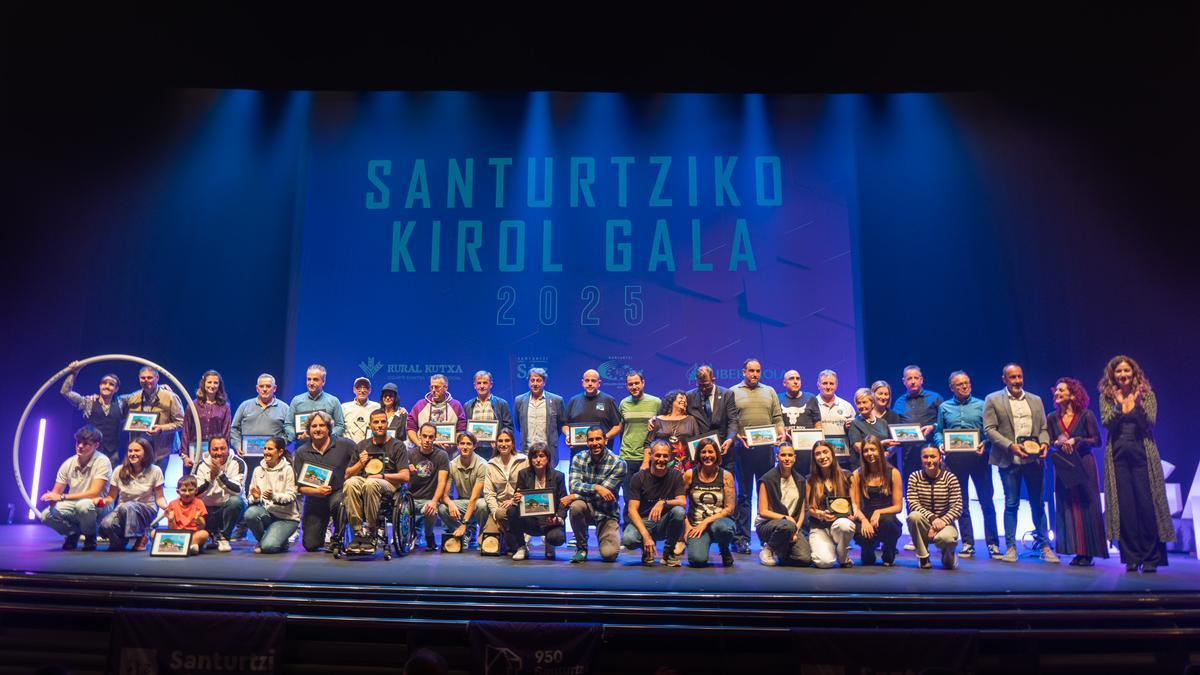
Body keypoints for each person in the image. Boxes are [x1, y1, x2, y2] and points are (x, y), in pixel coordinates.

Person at [1098, 355, 1173, 572]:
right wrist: (1118, 406)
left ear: (1134, 372)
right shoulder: (1107, 396)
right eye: (1119, 371)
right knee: (1126, 507)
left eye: (1126, 370)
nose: (1123, 375)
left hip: (1142, 456)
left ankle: (1150, 557)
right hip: (1118, 457)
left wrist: (1137, 404)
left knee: (1146, 505)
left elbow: (1149, 423)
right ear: (1113, 375)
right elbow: (1107, 423)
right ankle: (1131, 557)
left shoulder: (1146, 394)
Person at [984, 363, 1058, 564]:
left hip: (1034, 460)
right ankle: (1010, 547)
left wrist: (1044, 444)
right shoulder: (993, 399)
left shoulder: (1035, 399)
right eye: (1012, 377)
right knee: (1011, 503)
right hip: (1009, 459)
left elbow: (1043, 428)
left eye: (1019, 376)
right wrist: (1011, 446)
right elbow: (989, 430)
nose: (1017, 381)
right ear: (1004, 379)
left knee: (1038, 504)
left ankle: (1045, 546)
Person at [934, 371, 999, 559]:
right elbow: (939, 431)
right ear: (951, 388)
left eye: (967, 382)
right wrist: (940, 444)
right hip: (955, 461)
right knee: (960, 503)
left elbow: (990, 431)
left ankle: (993, 543)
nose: (964, 386)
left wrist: (985, 443)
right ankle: (968, 543)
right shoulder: (945, 407)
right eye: (960, 384)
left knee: (986, 501)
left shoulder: (982, 404)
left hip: (980, 459)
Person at [1046, 377, 1108, 566]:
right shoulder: (1052, 417)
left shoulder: (1086, 415)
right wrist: (1056, 443)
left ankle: (1088, 552)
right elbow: (1049, 441)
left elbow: (1097, 441)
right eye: (1056, 391)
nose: (1057, 393)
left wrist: (1077, 440)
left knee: (1087, 505)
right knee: (1067, 505)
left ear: (1073, 395)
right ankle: (1075, 550)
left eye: (1061, 390)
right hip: (1064, 466)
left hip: (1084, 463)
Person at [728, 358, 785, 554]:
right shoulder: (733, 392)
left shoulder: (769, 391)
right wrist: (737, 436)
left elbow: (777, 418)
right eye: (751, 370)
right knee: (743, 496)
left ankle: (767, 538)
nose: (754, 374)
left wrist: (781, 433)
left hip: (766, 451)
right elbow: (730, 421)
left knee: (766, 495)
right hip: (742, 451)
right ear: (743, 372)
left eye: (758, 371)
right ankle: (741, 539)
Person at [229, 373, 289, 541]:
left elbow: (289, 431)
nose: (264, 389)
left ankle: (272, 526)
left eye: (268, 386)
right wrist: (237, 445)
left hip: (273, 461)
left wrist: (279, 447)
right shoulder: (245, 406)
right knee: (248, 492)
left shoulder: (284, 408)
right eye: (261, 386)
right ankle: (242, 527)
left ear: (274, 388)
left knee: (272, 492)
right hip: (248, 460)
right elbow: (234, 429)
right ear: (257, 388)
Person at [344, 409, 410, 554]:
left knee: (371, 483)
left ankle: (371, 529)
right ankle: (358, 531)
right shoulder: (362, 445)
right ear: (370, 425)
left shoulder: (397, 445)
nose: (379, 425)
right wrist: (360, 463)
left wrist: (382, 477)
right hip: (365, 480)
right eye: (376, 422)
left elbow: (405, 476)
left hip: (389, 483)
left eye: (383, 422)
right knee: (350, 483)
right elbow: (347, 474)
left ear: (387, 424)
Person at [40, 424, 113, 550]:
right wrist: (50, 498)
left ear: (96, 445)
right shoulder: (68, 463)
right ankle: (72, 533)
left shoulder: (102, 461)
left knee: (83, 506)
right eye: (78, 442)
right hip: (74, 503)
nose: (80, 446)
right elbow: (56, 493)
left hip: (98, 504)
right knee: (46, 515)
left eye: (85, 444)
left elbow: (94, 493)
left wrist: (62, 497)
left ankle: (90, 536)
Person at [292, 411, 356, 552]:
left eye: (322, 425)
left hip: (338, 492)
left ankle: (339, 537)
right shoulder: (301, 452)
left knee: (338, 503)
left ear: (328, 428)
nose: (318, 429)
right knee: (310, 544)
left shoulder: (345, 445)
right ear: (308, 429)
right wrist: (316, 491)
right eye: (314, 426)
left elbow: (359, 464)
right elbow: (299, 487)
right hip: (314, 497)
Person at [622, 440, 687, 567]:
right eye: (658, 455)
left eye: (665, 456)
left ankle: (668, 553)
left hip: (665, 522)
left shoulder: (676, 475)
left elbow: (683, 502)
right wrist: (646, 536)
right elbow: (632, 510)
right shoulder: (638, 477)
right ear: (650, 455)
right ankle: (647, 551)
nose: (661, 459)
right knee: (628, 540)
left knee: (679, 511)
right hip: (645, 522)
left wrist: (663, 502)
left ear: (670, 457)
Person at [567, 426, 627, 563]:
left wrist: (575, 496)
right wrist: (596, 487)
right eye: (591, 440)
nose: (595, 443)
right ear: (587, 442)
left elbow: (603, 496)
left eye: (598, 439)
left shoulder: (619, 463)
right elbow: (574, 486)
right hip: (586, 509)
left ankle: (603, 535)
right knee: (576, 506)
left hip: (606, 513)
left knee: (609, 555)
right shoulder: (578, 458)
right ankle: (581, 547)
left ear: (606, 440)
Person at [98, 437, 166, 551]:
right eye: (130, 451)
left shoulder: (155, 470)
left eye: (137, 450)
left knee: (128, 506)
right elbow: (111, 497)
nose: (132, 454)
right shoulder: (119, 470)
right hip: (122, 510)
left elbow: (160, 498)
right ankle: (121, 541)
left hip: (147, 510)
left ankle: (141, 536)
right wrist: (101, 501)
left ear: (146, 452)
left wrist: (168, 507)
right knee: (106, 524)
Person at [509, 442, 568, 560]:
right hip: (530, 521)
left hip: (550, 521)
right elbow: (517, 496)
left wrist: (558, 518)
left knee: (557, 537)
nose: (538, 460)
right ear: (530, 459)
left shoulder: (558, 476)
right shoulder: (523, 474)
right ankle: (521, 547)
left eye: (541, 456)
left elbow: (564, 502)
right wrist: (517, 498)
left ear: (548, 458)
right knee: (511, 510)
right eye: (534, 457)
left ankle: (550, 543)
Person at [682, 437, 736, 567]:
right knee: (697, 560)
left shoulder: (726, 476)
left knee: (724, 529)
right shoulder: (689, 475)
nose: (707, 455)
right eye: (703, 452)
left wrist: (705, 522)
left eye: (711, 452)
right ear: (698, 454)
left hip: (719, 523)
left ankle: (724, 549)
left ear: (717, 454)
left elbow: (729, 509)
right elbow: (680, 503)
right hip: (696, 526)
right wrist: (687, 527)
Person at [906, 445, 962, 570]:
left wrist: (940, 523)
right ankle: (923, 556)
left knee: (946, 540)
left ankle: (948, 554)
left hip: (945, 523)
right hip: (925, 522)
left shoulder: (950, 478)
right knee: (913, 516)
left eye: (933, 456)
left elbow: (957, 507)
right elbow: (913, 503)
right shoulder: (914, 477)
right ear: (921, 458)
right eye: (925, 457)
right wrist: (933, 519)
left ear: (940, 458)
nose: (929, 460)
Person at [755, 444, 811, 567]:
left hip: (791, 527)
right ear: (777, 457)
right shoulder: (767, 479)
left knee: (805, 559)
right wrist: (786, 518)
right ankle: (768, 549)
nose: (787, 458)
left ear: (795, 457)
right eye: (783, 455)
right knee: (787, 525)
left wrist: (795, 531)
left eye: (790, 455)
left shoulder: (801, 481)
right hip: (768, 525)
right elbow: (763, 511)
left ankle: (781, 551)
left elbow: (801, 512)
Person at [850, 436, 903, 566]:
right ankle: (869, 546)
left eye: (873, 449)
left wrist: (879, 511)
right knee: (866, 558)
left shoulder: (894, 473)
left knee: (889, 522)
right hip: (865, 516)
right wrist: (864, 520)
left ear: (880, 450)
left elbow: (898, 507)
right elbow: (855, 505)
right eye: (866, 450)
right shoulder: (857, 474)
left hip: (886, 517)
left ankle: (889, 547)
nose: (869, 454)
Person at [59, 363, 126, 463]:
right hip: (89, 451)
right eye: (104, 383)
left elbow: (138, 395)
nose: (107, 386)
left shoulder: (121, 403)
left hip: (111, 454)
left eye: (111, 384)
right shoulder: (88, 402)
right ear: (100, 386)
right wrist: (74, 372)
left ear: (116, 389)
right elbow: (65, 392)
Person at [244, 437, 300, 554]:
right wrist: (256, 498)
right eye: (265, 448)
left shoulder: (288, 470)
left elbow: (291, 496)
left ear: (280, 452)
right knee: (250, 513)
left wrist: (273, 496)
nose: (266, 452)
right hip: (267, 514)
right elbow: (250, 498)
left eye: (270, 449)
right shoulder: (258, 470)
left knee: (269, 547)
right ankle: (263, 540)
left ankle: (277, 540)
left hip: (286, 518)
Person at [617, 371, 660, 522]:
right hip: (627, 456)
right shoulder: (623, 403)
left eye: (637, 383)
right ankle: (629, 528)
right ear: (626, 386)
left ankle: (648, 527)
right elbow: (621, 428)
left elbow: (663, 424)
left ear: (643, 383)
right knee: (628, 497)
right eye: (630, 384)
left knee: (649, 496)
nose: (634, 387)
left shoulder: (656, 402)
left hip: (649, 457)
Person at [806, 441, 856, 568]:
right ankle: (826, 549)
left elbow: (854, 504)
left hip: (839, 524)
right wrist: (821, 514)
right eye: (818, 454)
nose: (822, 457)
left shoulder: (847, 476)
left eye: (825, 452)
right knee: (824, 563)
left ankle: (842, 554)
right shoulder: (810, 480)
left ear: (832, 454)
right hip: (819, 527)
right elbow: (810, 509)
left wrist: (853, 513)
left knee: (845, 525)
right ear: (814, 458)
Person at [123, 366, 185, 470]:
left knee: (158, 478)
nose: (146, 380)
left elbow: (181, 423)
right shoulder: (133, 397)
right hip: (140, 449)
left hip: (161, 450)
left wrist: (161, 428)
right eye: (143, 378)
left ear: (157, 378)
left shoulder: (170, 397)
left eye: (149, 377)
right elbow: (116, 401)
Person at [892, 365, 944, 490]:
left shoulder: (935, 398)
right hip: (908, 456)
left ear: (922, 380)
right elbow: (895, 427)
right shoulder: (899, 402)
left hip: (931, 454)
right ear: (904, 381)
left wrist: (933, 426)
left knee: (936, 490)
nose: (913, 381)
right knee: (911, 490)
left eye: (916, 378)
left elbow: (946, 422)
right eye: (909, 378)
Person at [482, 428, 529, 553]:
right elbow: (489, 493)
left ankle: (517, 541)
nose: (503, 444)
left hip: (520, 504)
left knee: (509, 544)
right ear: (495, 444)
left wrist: (513, 501)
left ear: (513, 443)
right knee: (486, 546)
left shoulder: (524, 460)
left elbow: (530, 486)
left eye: (507, 441)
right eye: (500, 441)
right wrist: (495, 514)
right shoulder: (491, 464)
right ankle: (510, 538)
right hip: (500, 508)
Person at [439, 431, 489, 548]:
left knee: (482, 505)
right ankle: (464, 534)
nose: (465, 447)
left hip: (479, 503)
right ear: (457, 445)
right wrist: (451, 504)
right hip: (463, 502)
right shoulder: (452, 465)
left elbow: (474, 498)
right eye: (462, 443)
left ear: (474, 446)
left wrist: (464, 523)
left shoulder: (482, 465)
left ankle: (482, 536)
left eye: (468, 444)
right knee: (442, 508)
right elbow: (444, 495)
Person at [409, 422, 451, 550]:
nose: (427, 440)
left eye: (431, 437)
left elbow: (442, 482)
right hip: (411, 499)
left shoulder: (442, 455)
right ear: (419, 436)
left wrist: (434, 501)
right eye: (424, 436)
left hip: (429, 499)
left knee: (431, 510)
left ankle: (428, 535)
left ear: (435, 438)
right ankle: (411, 535)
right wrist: (406, 470)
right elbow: (401, 478)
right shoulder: (409, 454)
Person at [686, 365, 741, 460]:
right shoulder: (689, 396)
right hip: (701, 451)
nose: (703, 389)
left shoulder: (727, 394)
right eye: (700, 385)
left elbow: (733, 420)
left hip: (724, 447)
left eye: (707, 385)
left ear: (713, 380)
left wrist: (730, 438)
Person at [513, 367, 567, 463]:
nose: (535, 383)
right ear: (528, 382)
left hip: (548, 451)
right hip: (527, 451)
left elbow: (560, 425)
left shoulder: (556, 400)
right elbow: (519, 426)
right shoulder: (519, 400)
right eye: (532, 380)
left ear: (544, 382)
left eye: (538, 380)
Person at [562, 369, 622, 453]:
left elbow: (618, 426)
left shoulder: (608, 400)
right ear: (582, 382)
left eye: (593, 381)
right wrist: (569, 435)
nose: (590, 383)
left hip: (602, 452)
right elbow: (565, 425)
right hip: (578, 453)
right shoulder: (574, 400)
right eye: (587, 380)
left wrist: (604, 438)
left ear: (599, 383)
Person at [181, 370, 232, 465]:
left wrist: (224, 453)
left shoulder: (225, 407)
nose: (212, 385)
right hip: (194, 452)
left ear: (219, 385)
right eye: (209, 382)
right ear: (204, 383)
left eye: (215, 383)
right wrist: (184, 455)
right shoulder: (193, 405)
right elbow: (186, 430)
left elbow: (226, 432)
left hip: (216, 453)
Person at [285, 364, 346, 443]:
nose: (311, 383)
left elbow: (340, 426)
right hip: (302, 446)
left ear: (323, 382)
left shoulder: (333, 401)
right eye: (309, 379)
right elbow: (288, 425)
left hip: (327, 447)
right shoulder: (296, 400)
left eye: (315, 379)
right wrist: (297, 435)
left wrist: (326, 435)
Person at [644, 390, 700, 472]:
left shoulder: (691, 420)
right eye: (681, 398)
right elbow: (648, 443)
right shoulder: (657, 420)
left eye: (685, 400)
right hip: (660, 463)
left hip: (683, 466)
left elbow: (696, 444)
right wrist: (645, 463)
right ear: (671, 400)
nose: (684, 401)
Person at [463, 370, 513, 460]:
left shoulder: (501, 404)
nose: (482, 386)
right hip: (474, 450)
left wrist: (499, 441)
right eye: (479, 383)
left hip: (495, 450)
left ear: (491, 385)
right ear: (474, 385)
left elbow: (509, 428)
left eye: (485, 383)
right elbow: (464, 428)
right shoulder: (468, 405)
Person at [779, 370, 821, 476]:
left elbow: (817, 423)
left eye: (798, 379)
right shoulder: (778, 398)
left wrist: (818, 445)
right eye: (791, 379)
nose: (795, 381)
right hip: (787, 450)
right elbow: (776, 422)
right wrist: (782, 431)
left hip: (807, 450)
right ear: (784, 383)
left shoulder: (811, 398)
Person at [406, 374, 467, 447]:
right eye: (431, 387)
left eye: (437, 387)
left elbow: (461, 429)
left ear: (446, 388)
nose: (433, 390)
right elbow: (410, 427)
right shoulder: (420, 405)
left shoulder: (456, 405)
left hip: (448, 452)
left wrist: (452, 444)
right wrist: (418, 443)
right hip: (423, 452)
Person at [847, 387, 899, 471]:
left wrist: (888, 453)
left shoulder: (883, 422)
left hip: (882, 466)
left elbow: (891, 444)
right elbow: (859, 447)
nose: (862, 406)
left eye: (864, 402)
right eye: (858, 403)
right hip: (863, 468)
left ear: (872, 404)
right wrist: (881, 444)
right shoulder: (854, 423)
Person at [165, 474, 210, 555]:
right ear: (178, 491)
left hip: (193, 535)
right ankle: (189, 547)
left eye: (190, 490)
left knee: (204, 534)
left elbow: (202, 527)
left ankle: (181, 547)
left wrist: (198, 519)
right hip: (177, 536)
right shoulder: (172, 504)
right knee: (154, 533)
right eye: (183, 490)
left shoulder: (199, 503)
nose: (187, 493)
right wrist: (171, 520)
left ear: (196, 490)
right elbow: (171, 530)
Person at [814, 369, 855, 441]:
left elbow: (855, 431)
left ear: (836, 386)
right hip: (819, 447)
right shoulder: (812, 405)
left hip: (842, 447)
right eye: (825, 383)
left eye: (831, 384)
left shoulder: (847, 406)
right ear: (818, 385)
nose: (828, 387)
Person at [342, 376, 381, 444]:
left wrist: (399, 410)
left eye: (365, 388)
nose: (362, 390)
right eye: (359, 388)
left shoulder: (377, 407)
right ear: (354, 390)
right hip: (348, 447)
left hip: (370, 447)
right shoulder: (344, 407)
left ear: (369, 390)